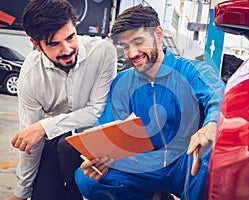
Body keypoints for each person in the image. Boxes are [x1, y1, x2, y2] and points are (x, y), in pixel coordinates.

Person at [74, 4, 225, 200]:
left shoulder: (193, 71)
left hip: (185, 164)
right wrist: (98, 158)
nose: (132, 53)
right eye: (126, 46)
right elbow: (108, 127)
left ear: (158, 35)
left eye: (138, 42)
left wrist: (212, 124)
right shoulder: (122, 82)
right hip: (143, 164)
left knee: (207, 151)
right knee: (87, 179)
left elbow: (218, 96)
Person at [5, 0, 117, 200]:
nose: (66, 49)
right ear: (36, 44)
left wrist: (44, 126)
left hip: (93, 141)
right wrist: (21, 192)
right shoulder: (31, 74)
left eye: (70, 37)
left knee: (68, 148)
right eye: (54, 44)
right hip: (54, 142)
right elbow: (32, 141)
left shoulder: (103, 52)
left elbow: (96, 111)